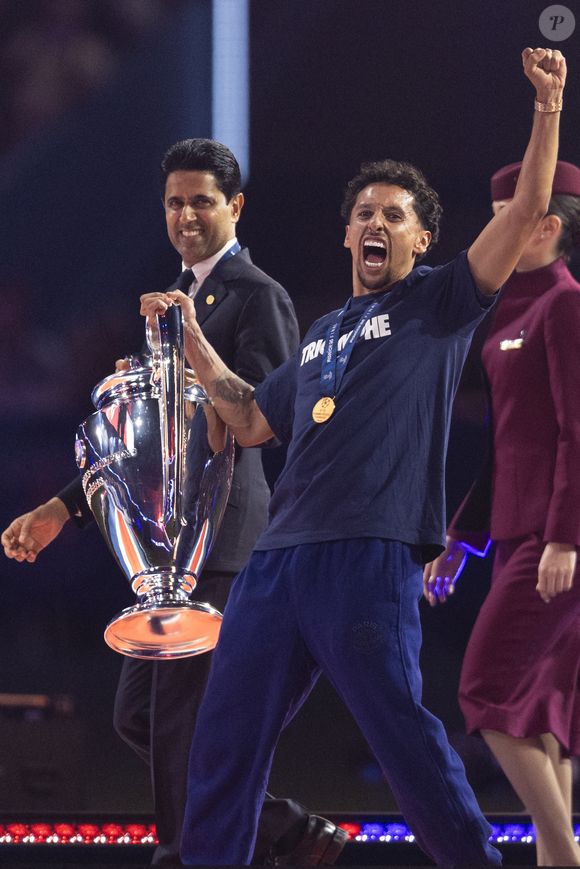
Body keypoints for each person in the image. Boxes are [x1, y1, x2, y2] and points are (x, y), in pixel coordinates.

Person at [138, 47, 566, 867]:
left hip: (368, 552)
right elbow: (252, 419)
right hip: (278, 563)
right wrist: (191, 335)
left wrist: (546, 107)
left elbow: (523, 214)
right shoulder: (323, 332)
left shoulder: (440, 300)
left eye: (395, 214)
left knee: (404, 740)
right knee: (222, 749)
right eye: (365, 212)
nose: (376, 223)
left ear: (425, 237)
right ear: (345, 232)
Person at [1, 138, 348, 866]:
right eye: (174, 202)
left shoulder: (256, 295)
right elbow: (149, 442)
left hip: (222, 538)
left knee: (178, 717)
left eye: (201, 200)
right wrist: (61, 509)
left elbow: (264, 414)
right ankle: (281, 827)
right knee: (142, 713)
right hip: (166, 547)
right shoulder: (176, 297)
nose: (186, 215)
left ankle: (183, 850)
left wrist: (187, 342)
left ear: (235, 206)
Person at [423, 155, 580, 866]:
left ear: (547, 224)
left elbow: (578, 428)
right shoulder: (506, 312)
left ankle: (560, 848)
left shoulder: (567, 303)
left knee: (483, 690)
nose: (499, 231)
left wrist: (564, 537)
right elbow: (504, 442)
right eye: (493, 219)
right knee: (540, 711)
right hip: (519, 538)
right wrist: (462, 538)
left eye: (511, 218)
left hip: (555, 542)